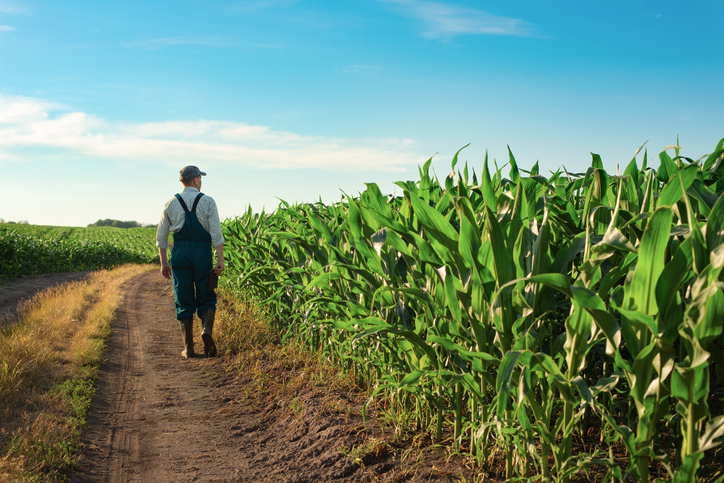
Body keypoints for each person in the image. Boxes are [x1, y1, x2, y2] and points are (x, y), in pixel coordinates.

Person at [156, 166, 225, 358]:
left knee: (183, 298)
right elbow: (216, 234)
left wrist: (164, 263)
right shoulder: (208, 201)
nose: (201, 181)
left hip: (180, 253)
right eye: (200, 178)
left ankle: (189, 348)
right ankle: (206, 330)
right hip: (202, 253)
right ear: (195, 180)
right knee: (207, 295)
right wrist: (220, 259)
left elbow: (161, 237)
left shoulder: (170, 203)